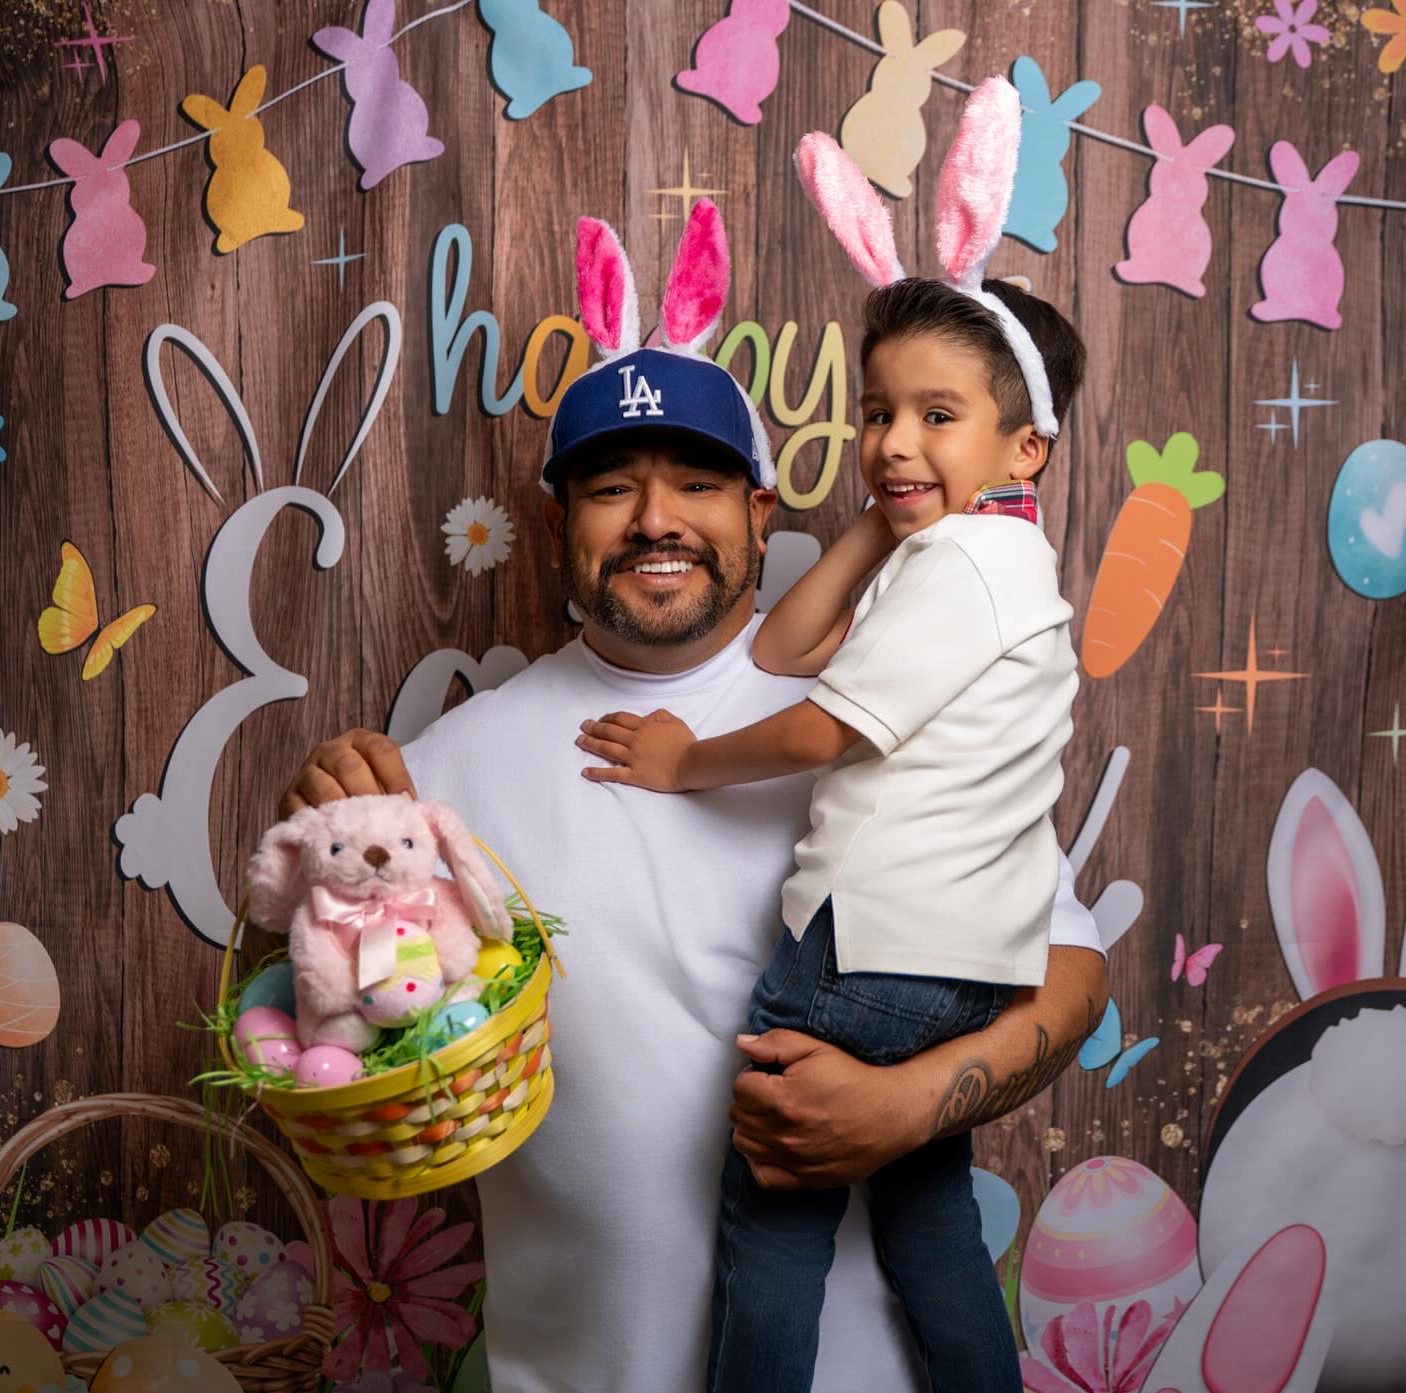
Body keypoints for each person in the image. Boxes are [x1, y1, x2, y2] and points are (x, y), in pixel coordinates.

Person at [281, 208, 1107, 1393]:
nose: (658, 519)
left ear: (761, 514)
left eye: (700, 484)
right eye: (612, 487)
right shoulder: (444, 771)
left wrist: (906, 1107)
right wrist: (323, 830)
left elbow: (1072, 974)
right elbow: (340, 1031)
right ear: (561, 526)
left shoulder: (900, 689)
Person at [576, 264, 1086, 1391]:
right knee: (931, 1228)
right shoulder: (990, 557)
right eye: (878, 415)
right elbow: (780, 645)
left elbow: (819, 729)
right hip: (956, 969)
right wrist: (885, 513)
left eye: (936, 417)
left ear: (1027, 448)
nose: (896, 442)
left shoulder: (965, 564)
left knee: (772, 1233)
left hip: (860, 948)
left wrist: (683, 762)